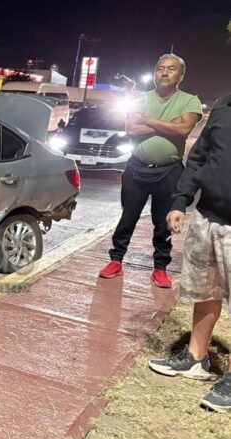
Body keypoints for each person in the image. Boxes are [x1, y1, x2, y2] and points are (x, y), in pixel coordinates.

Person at [148, 94, 231, 413]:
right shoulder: (223, 107)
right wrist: (180, 200)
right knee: (206, 291)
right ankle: (196, 357)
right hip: (209, 217)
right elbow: (199, 158)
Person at [99, 54, 202, 287]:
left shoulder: (190, 101)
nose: (164, 73)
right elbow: (132, 128)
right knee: (128, 217)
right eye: (160, 69)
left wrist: (149, 121)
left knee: (162, 222)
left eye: (171, 69)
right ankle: (115, 260)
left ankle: (160, 267)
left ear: (181, 75)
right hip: (136, 169)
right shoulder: (140, 98)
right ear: (155, 73)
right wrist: (169, 125)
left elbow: (183, 130)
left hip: (170, 171)